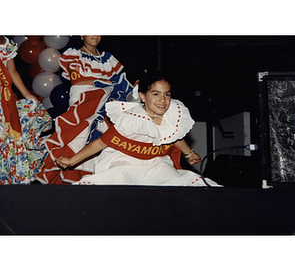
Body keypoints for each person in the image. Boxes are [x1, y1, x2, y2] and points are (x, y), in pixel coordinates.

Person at [55, 70, 220, 187]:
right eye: (155, 94)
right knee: (120, 179)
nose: (162, 100)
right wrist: (71, 161)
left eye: (167, 94)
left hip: (155, 163)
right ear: (142, 96)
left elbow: (175, 137)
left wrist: (189, 153)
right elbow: (100, 143)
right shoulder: (131, 119)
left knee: (179, 181)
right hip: (125, 161)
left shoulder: (172, 114)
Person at [37, 36, 137, 184]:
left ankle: (94, 181)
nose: (95, 35)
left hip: (105, 107)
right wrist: (106, 83)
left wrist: (111, 87)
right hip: (83, 105)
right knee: (78, 140)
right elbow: (77, 82)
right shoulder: (74, 55)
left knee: (102, 142)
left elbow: (115, 86)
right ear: (82, 35)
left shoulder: (109, 59)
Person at [0, 36, 52, 184]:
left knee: (9, 138)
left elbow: (12, 72)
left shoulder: (6, 44)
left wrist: (28, 95)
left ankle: (8, 179)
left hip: (5, 100)